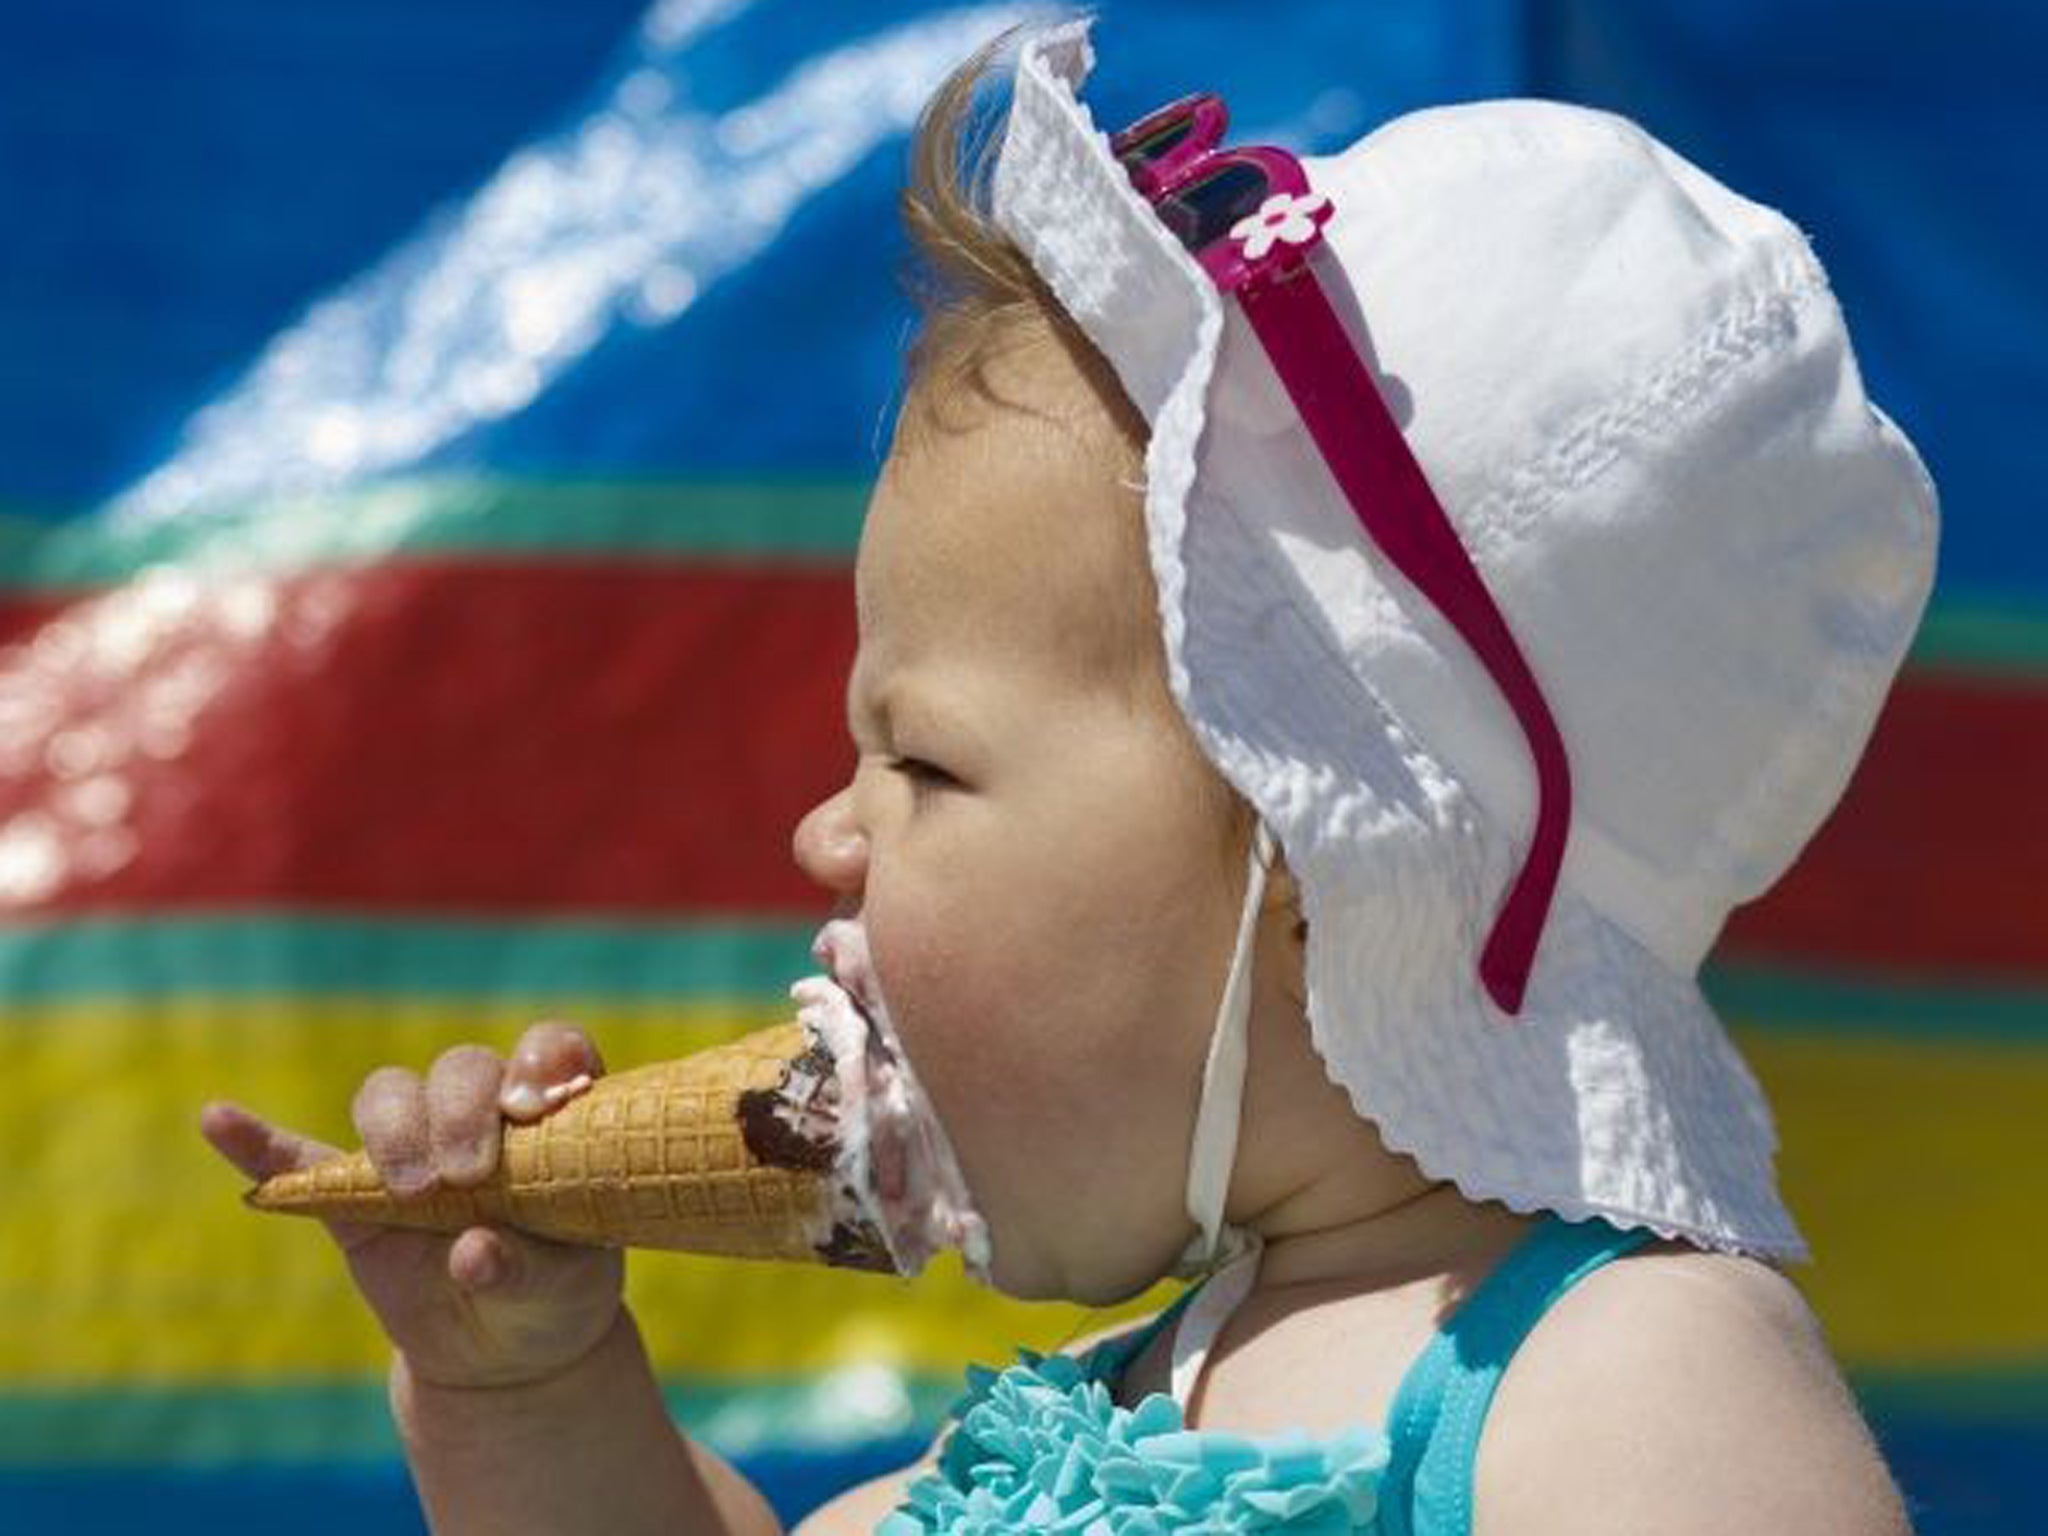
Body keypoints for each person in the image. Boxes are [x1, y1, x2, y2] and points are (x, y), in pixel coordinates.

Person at [200, 18, 1934, 1535]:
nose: (824, 831)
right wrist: (532, 1399)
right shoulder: (1039, 1441)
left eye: (927, 763)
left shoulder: (1625, 1381)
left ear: (1327, 868)